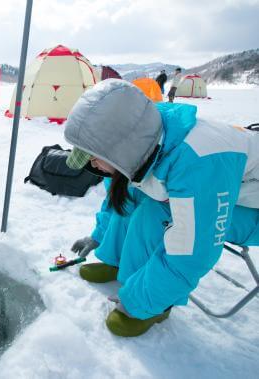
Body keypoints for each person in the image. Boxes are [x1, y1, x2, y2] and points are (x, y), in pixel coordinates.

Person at [64, 79, 259, 337]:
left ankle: (155, 304)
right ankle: (120, 262)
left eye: (93, 157)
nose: (93, 165)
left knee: (158, 213)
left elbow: (191, 252)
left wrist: (139, 303)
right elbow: (123, 194)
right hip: (222, 191)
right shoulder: (143, 137)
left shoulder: (197, 161)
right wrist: (99, 237)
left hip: (249, 208)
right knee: (139, 193)